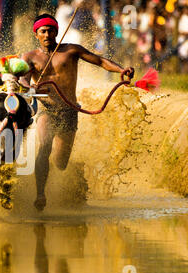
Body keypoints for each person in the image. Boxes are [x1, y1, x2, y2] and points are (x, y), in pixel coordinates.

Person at [19, 14, 134, 211]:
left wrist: (121, 70)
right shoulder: (28, 57)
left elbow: (99, 61)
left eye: (51, 30)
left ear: (56, 31)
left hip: (70, 110)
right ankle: (40, 194)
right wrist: (31, 88)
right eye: (43, 31)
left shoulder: (71, 50)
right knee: (44, 147)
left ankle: (68, 183)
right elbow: (22, 80)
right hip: (47, 110)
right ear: (36, 34)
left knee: (61, 162)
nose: (47, 34)